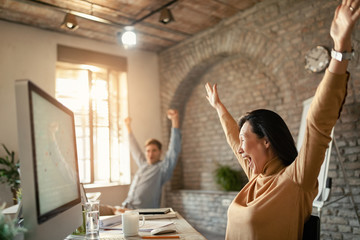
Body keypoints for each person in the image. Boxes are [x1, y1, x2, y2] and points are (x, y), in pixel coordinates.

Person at [205, 1, 359, 239]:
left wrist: (340, 51)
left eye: (246, 139)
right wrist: (219, 108)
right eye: (242, 141)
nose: (241, 148)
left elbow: (317, 123)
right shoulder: (257, 176)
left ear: (266, 141)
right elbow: (234, 139)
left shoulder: (295, 181)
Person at [121, 109, 181, 209]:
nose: (150, 154)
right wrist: (128, 126)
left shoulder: (162, 168)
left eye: (154, 150)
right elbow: (134, 148)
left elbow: (173, 150)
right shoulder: (143, 164)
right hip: (127, 207)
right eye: (148, 151)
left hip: (144, 214)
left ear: (160, 152)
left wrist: (175, 120)